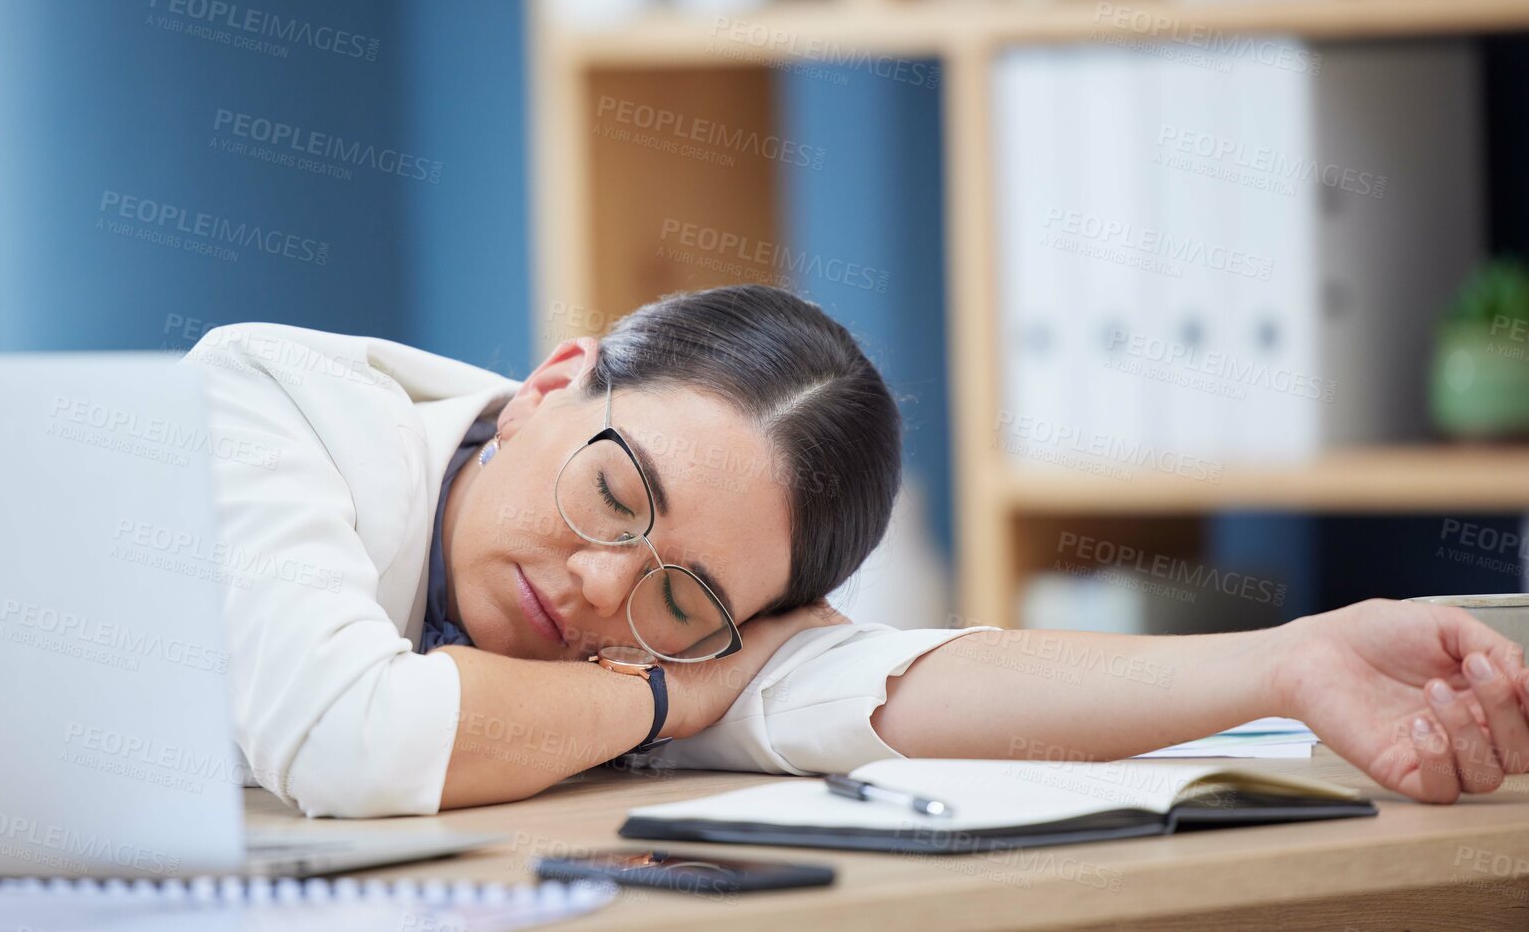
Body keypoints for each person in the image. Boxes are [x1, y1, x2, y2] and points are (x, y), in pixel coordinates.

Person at [184, 284, 1529, 819]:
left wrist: (1289, 664)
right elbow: (353, 738)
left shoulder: (694, 634)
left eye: (684, 597)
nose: (606, 585)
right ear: (554, 381)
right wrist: (667, 692)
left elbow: (907, 684)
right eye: (614, 491)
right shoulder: (273, 397)